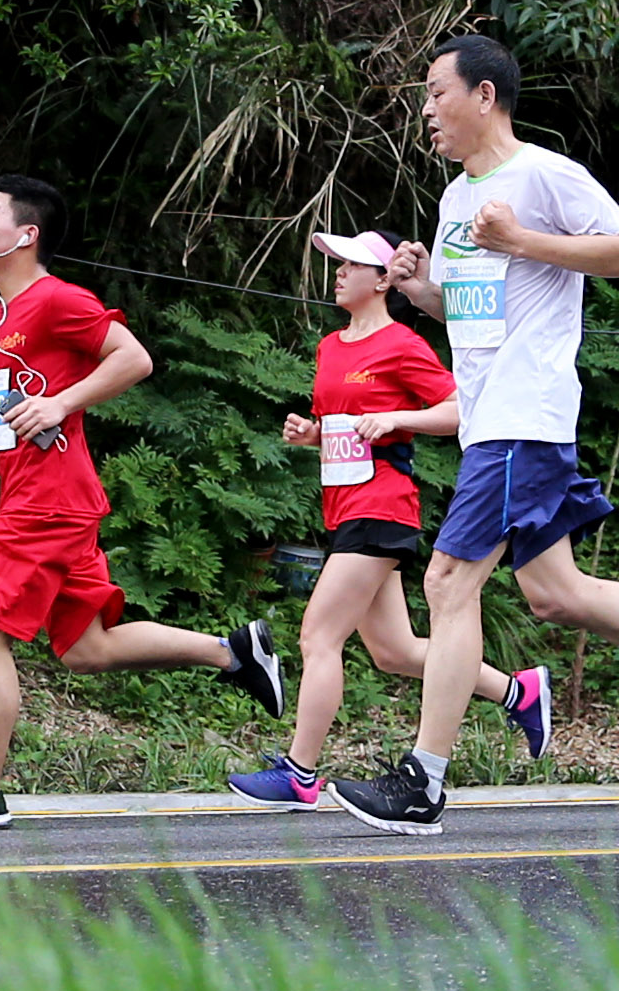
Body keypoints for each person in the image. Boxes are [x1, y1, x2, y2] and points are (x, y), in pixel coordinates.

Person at [333, 35, 619, 838]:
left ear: (484, 97)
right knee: (557, 594)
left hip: (525, 416)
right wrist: (419, 289)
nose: (427, 109)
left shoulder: (544, 175)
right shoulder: (455, 199)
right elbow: (470, 311)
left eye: (437, 93)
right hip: (490, 422)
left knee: (448, 582)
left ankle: (423, 780)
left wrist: (524, 240)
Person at [0, 176, 285, 832]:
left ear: (26, 235)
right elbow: (24, 412)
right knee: (87, 648)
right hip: (54, 496)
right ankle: (234, 653)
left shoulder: (56, 299)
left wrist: (63, 401)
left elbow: (133, 359)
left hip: (45, 505)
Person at [227, 230, 555, 807]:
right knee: (395, 652)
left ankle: (300, 773)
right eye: (337, 264)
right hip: (343, 508)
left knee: (318, 635)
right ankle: (517, 692)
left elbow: (462, 409)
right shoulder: (331, 346)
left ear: (383, 280)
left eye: (352, 264)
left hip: (382, 507)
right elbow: (345, 428)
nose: (338, 272)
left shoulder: (402, 344)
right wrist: (311, 435)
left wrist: (398, 417)